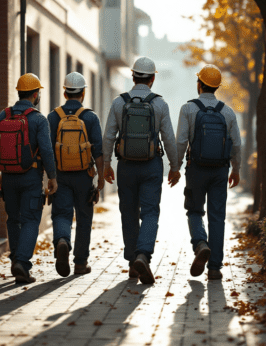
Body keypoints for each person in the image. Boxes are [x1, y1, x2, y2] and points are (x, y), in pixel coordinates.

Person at [102, 57, 180, 285]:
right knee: (150, 212)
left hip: (125, 166)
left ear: (133, 76)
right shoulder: (160, 104)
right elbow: (169, 139)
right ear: (153, 78)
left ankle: (132, 263)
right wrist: (175, 167)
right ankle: (143, 255)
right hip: (151, 165)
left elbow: (108, 137)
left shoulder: (119, 102)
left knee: (128, 211)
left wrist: (106, 165)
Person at [0, 73, 58, 284]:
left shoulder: (2, 116)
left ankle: (15, 260)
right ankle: (22, 263)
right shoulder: (38, 119)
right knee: (30, 220)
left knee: (14, 218)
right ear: (36, 94)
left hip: (8, 177)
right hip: (31, 177)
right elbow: (46, 151)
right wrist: (52, 177)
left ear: (19, 92)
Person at [176, 64, 241, 280]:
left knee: (194, 211)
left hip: (196, 169)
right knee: (217, 217)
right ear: (216, 87)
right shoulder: (228, 111)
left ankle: (200, 243)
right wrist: (236, 169)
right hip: (220, 170)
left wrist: (175, 167)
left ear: (199, 84)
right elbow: (237, 144)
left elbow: (181, 141)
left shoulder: (188, 109)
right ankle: (214, 268)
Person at [48, 72, 105, 276]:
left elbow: (47, 149)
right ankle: (80, 263)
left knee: (62, 213)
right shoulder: (90, 117)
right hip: (84, 175)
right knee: (83, 218)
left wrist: (50, 177)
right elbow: (98, 150)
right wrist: (100, 178)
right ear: (83, 92)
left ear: (64, 92)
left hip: (61, 175)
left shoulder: (53, 117)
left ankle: (62, 240)